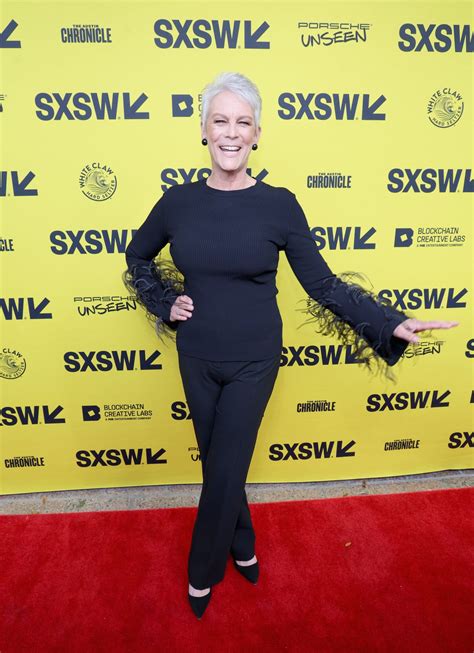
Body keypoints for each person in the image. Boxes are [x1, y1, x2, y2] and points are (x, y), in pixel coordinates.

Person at [122, 72, 459, 619]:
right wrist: (164, 303)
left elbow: (323, 285)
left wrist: (389, 323)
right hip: (197, 356)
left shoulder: (280, 205)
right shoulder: (176, 202)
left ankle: (200, 573)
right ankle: (244, 544)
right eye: (220, 120)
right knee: (219, 464)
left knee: (225, 465)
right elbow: (137, 258)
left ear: (257, 134)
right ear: (203, 131)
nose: (231, 133)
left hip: (255, 358)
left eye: (243, 122)